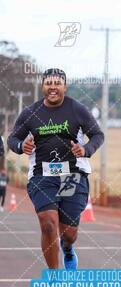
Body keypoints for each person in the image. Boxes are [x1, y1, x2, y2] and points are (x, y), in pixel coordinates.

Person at [7, 68, 104, 270]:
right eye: (48, 83)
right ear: (43, 86)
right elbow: (12, 138)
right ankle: (54, 276)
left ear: (64, 87)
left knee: (69, 234)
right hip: (42, 176)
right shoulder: (30, 113)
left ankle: (67, 249)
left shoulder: (77, 110)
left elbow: (97, 135)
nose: (53, 87)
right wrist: (20, 146)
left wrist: (86, 149)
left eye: (57, 83)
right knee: (48, 223)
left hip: (72, 176)